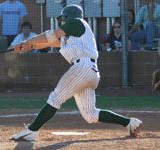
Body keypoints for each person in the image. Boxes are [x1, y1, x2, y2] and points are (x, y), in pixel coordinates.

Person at [9, 5, 142, 142]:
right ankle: (129, 123)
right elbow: (46, 42)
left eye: (63, 19)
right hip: (89, 71)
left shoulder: (77, 23)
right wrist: (24, 46)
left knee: (55, 98)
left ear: (68, 17)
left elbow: (51, 35)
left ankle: (32, 130)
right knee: (90, 114)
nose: (62, 22)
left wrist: (28, 41)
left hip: (82, 67)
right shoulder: (71, 37)